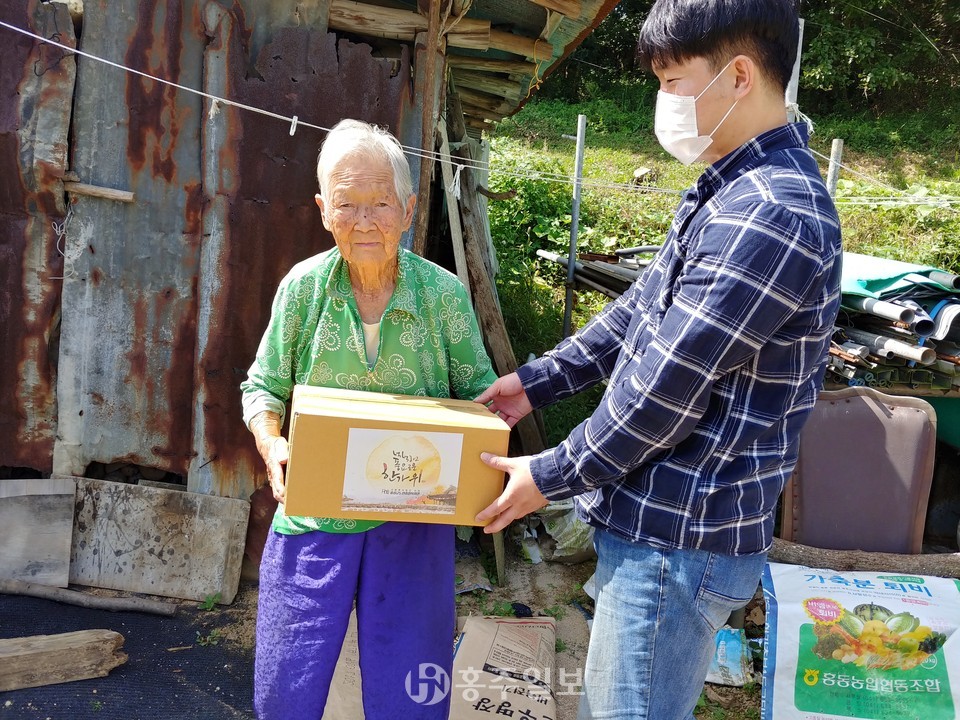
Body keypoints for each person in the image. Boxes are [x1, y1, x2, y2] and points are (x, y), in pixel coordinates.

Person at [474, 1, 842, 718]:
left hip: (679, 541)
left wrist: (546, 475)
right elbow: (639, 312)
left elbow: (661, 392)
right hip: (658, 531)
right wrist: (536, 383)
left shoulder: (773, 212)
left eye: (674, 80)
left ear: (738, 76)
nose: (664, 102)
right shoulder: (731, 186)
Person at [240, 118, 497, 719]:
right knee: (286, 692)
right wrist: (273, 444)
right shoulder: (302, 290)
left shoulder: (442, 295)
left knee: (410, 694)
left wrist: (490, 472)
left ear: (408, 210)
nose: (365, 221)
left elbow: (481, 397)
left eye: (381, 203)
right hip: (314, 516)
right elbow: (264, 387)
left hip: (413, 520)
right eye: (347, 204)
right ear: (322, 210)